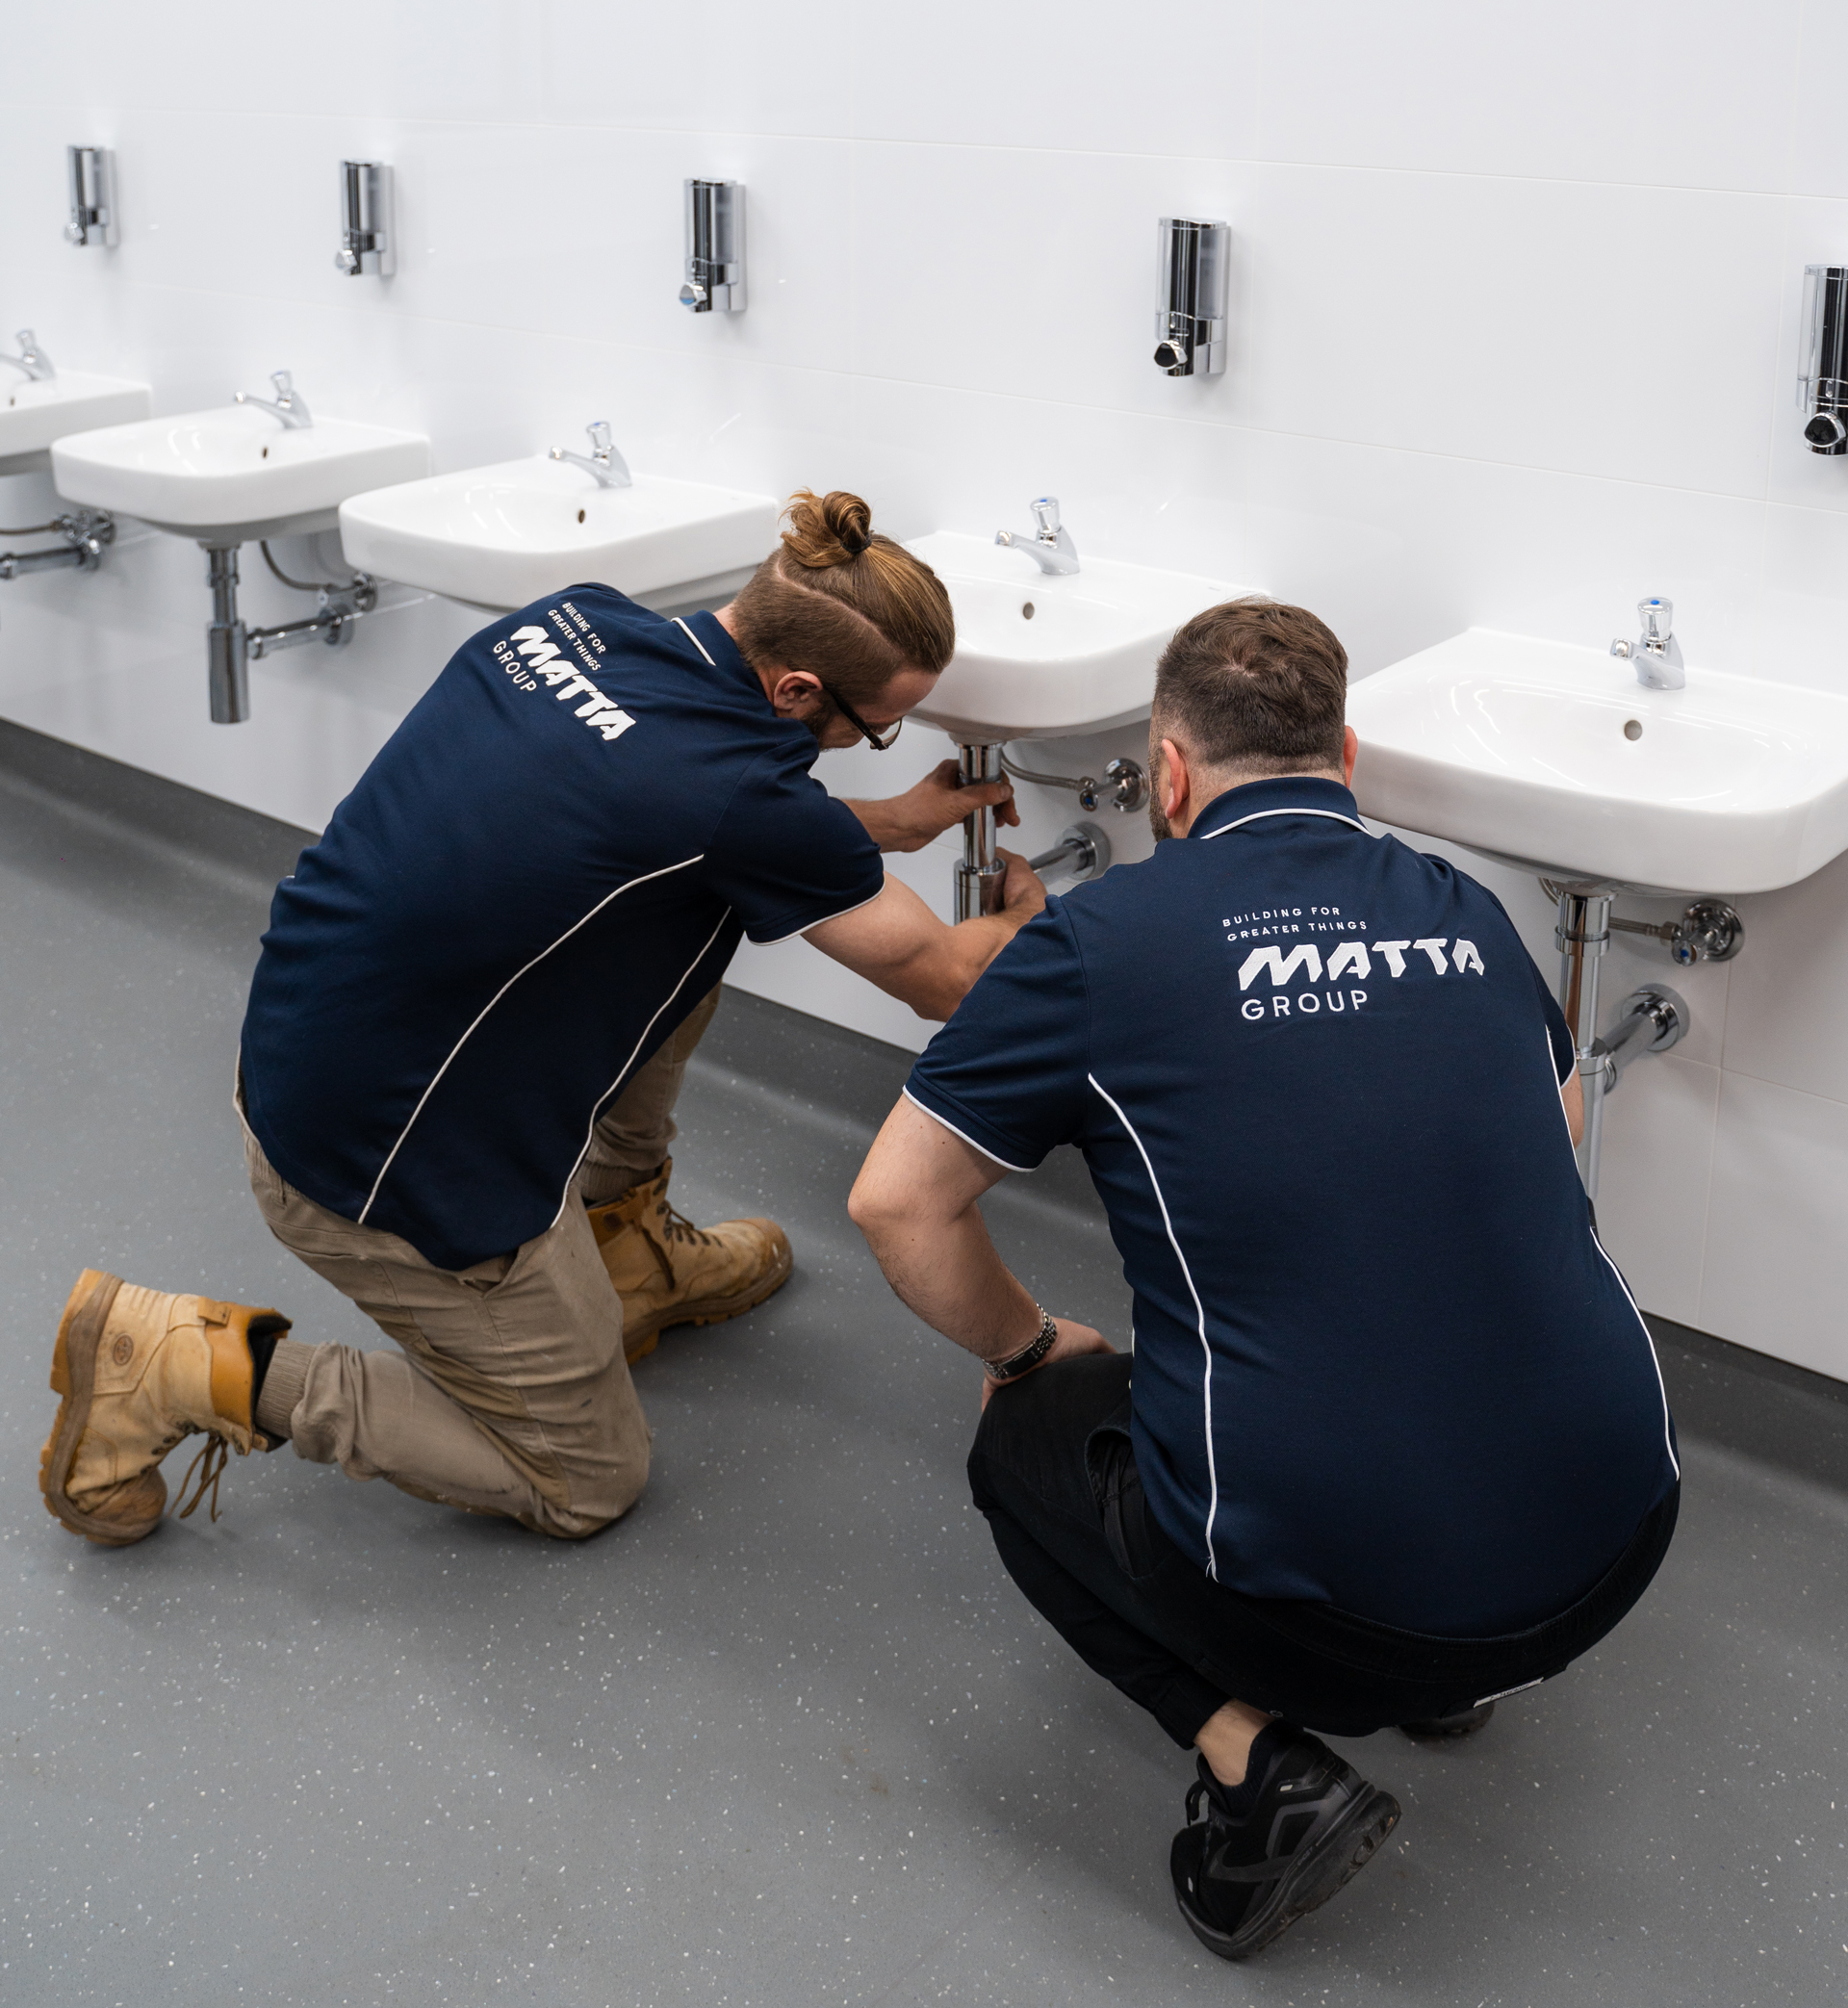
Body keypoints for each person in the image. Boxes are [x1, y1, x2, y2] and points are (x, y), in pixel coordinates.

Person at [849, 598, 1681, 1961]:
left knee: (1028, 1438)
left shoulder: (1101, 941)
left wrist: (1026, 1347)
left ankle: (1260, 1769)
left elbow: (895, 1202)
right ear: (1343, 755)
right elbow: (1560, 1124)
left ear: (1169, 774)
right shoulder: (1465, 910)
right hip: (1619, 1540)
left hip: (1334, 1612)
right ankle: (1452, 1684)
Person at [40, 489, 1043, 1548]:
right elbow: (949, 982)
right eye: (875, 728)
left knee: (686, 915)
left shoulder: (577, 617)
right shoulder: (731, 798)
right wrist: (1041, 919)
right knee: (585, 1478)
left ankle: (622, 1249)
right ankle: (184, 1363)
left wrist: (883, 824)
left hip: (309, 1042)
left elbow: (674, 803)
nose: (874, 742)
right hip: (376, 1165)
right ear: (796, 689)